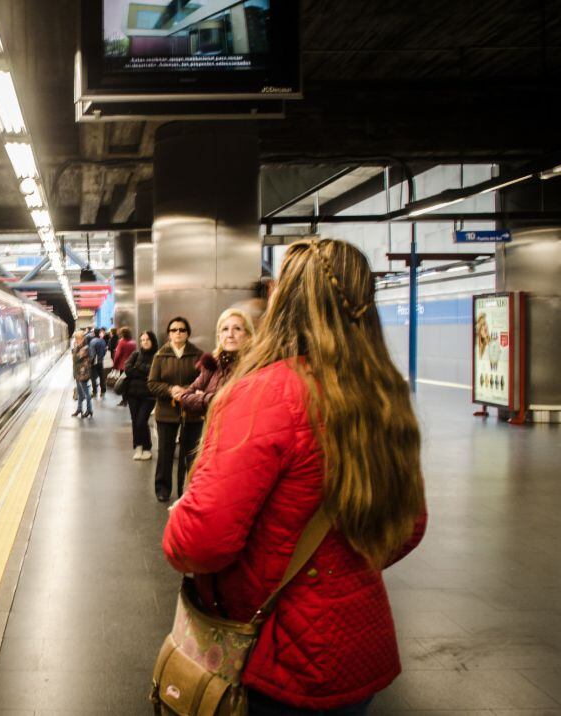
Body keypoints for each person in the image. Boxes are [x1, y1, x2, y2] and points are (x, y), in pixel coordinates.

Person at [163, 238, 428, 714]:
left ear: (284, 301)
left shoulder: (264, 392)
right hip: (359, 645)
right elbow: (409, 526)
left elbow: (202, 542)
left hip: (274, 658)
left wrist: (180, 520)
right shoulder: (384, 390)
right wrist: (339, 572)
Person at [146, 317, 202, 502]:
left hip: (191, 412)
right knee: (165, 453)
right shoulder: (160, 356)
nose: (178, 333)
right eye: (174, 330)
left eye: (182, 330)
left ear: (187, 333)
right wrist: (170, 390)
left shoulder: (198, 355)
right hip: (166, 412)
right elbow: (152, 384)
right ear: (169, 333)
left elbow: (204, 380)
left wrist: (186, 390)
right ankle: (163, 488)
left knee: (191, 454)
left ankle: (189, 490)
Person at [179, 308, 254, 420]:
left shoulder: (254, 366)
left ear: (248, 335)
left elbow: (243, 404)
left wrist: (202, 398)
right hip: (213, 433)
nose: (230, 335)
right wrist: (208, 400)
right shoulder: (212, 365)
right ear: (219, 336)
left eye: (237, 329)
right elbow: (185, 399)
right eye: (225, 329)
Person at [123, 330, 157, 460]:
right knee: (135, 421)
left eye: (147, 339)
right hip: (132, 394)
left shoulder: (157, 356)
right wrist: (144, 372)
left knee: (141, 421)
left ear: (152, 341)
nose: (145, 342)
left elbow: (153, 371)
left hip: (148, 395)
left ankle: (147, 447)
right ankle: (138, 447)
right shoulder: (136, 353)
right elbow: (127, 368)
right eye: (142, 340)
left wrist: (137, 368)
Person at [111, 326, 137, 407]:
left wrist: (114, 365)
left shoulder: (121, 342)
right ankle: (130, 399)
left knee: (123, 383)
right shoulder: (133, 342)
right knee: (130, 383)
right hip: (132, 366)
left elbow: (117, 355)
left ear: (122, 334)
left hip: (123, 366)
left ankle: (124, 400)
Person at [71, 330, 93, 418]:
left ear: (82, 338)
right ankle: (79, 409)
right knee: (80, 393)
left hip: (83, 374)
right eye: (76, 339)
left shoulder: (85, 348)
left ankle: (89, 409)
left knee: (86, 393)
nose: (76, 340)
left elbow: (76, 358)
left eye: (78, 339)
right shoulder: (79, 347)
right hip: (78, 373)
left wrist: (75, 348)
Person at [88, 328, 108, 398]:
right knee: (102, 377)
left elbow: (92, 354)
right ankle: (103, 391)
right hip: (100, 361)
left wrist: (90, 362)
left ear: (94, 333)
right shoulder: (102, 341)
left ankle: (94, 392)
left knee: (93, 378)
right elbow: (105, 350)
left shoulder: (92, 342)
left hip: (94, 363)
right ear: (99, 333)